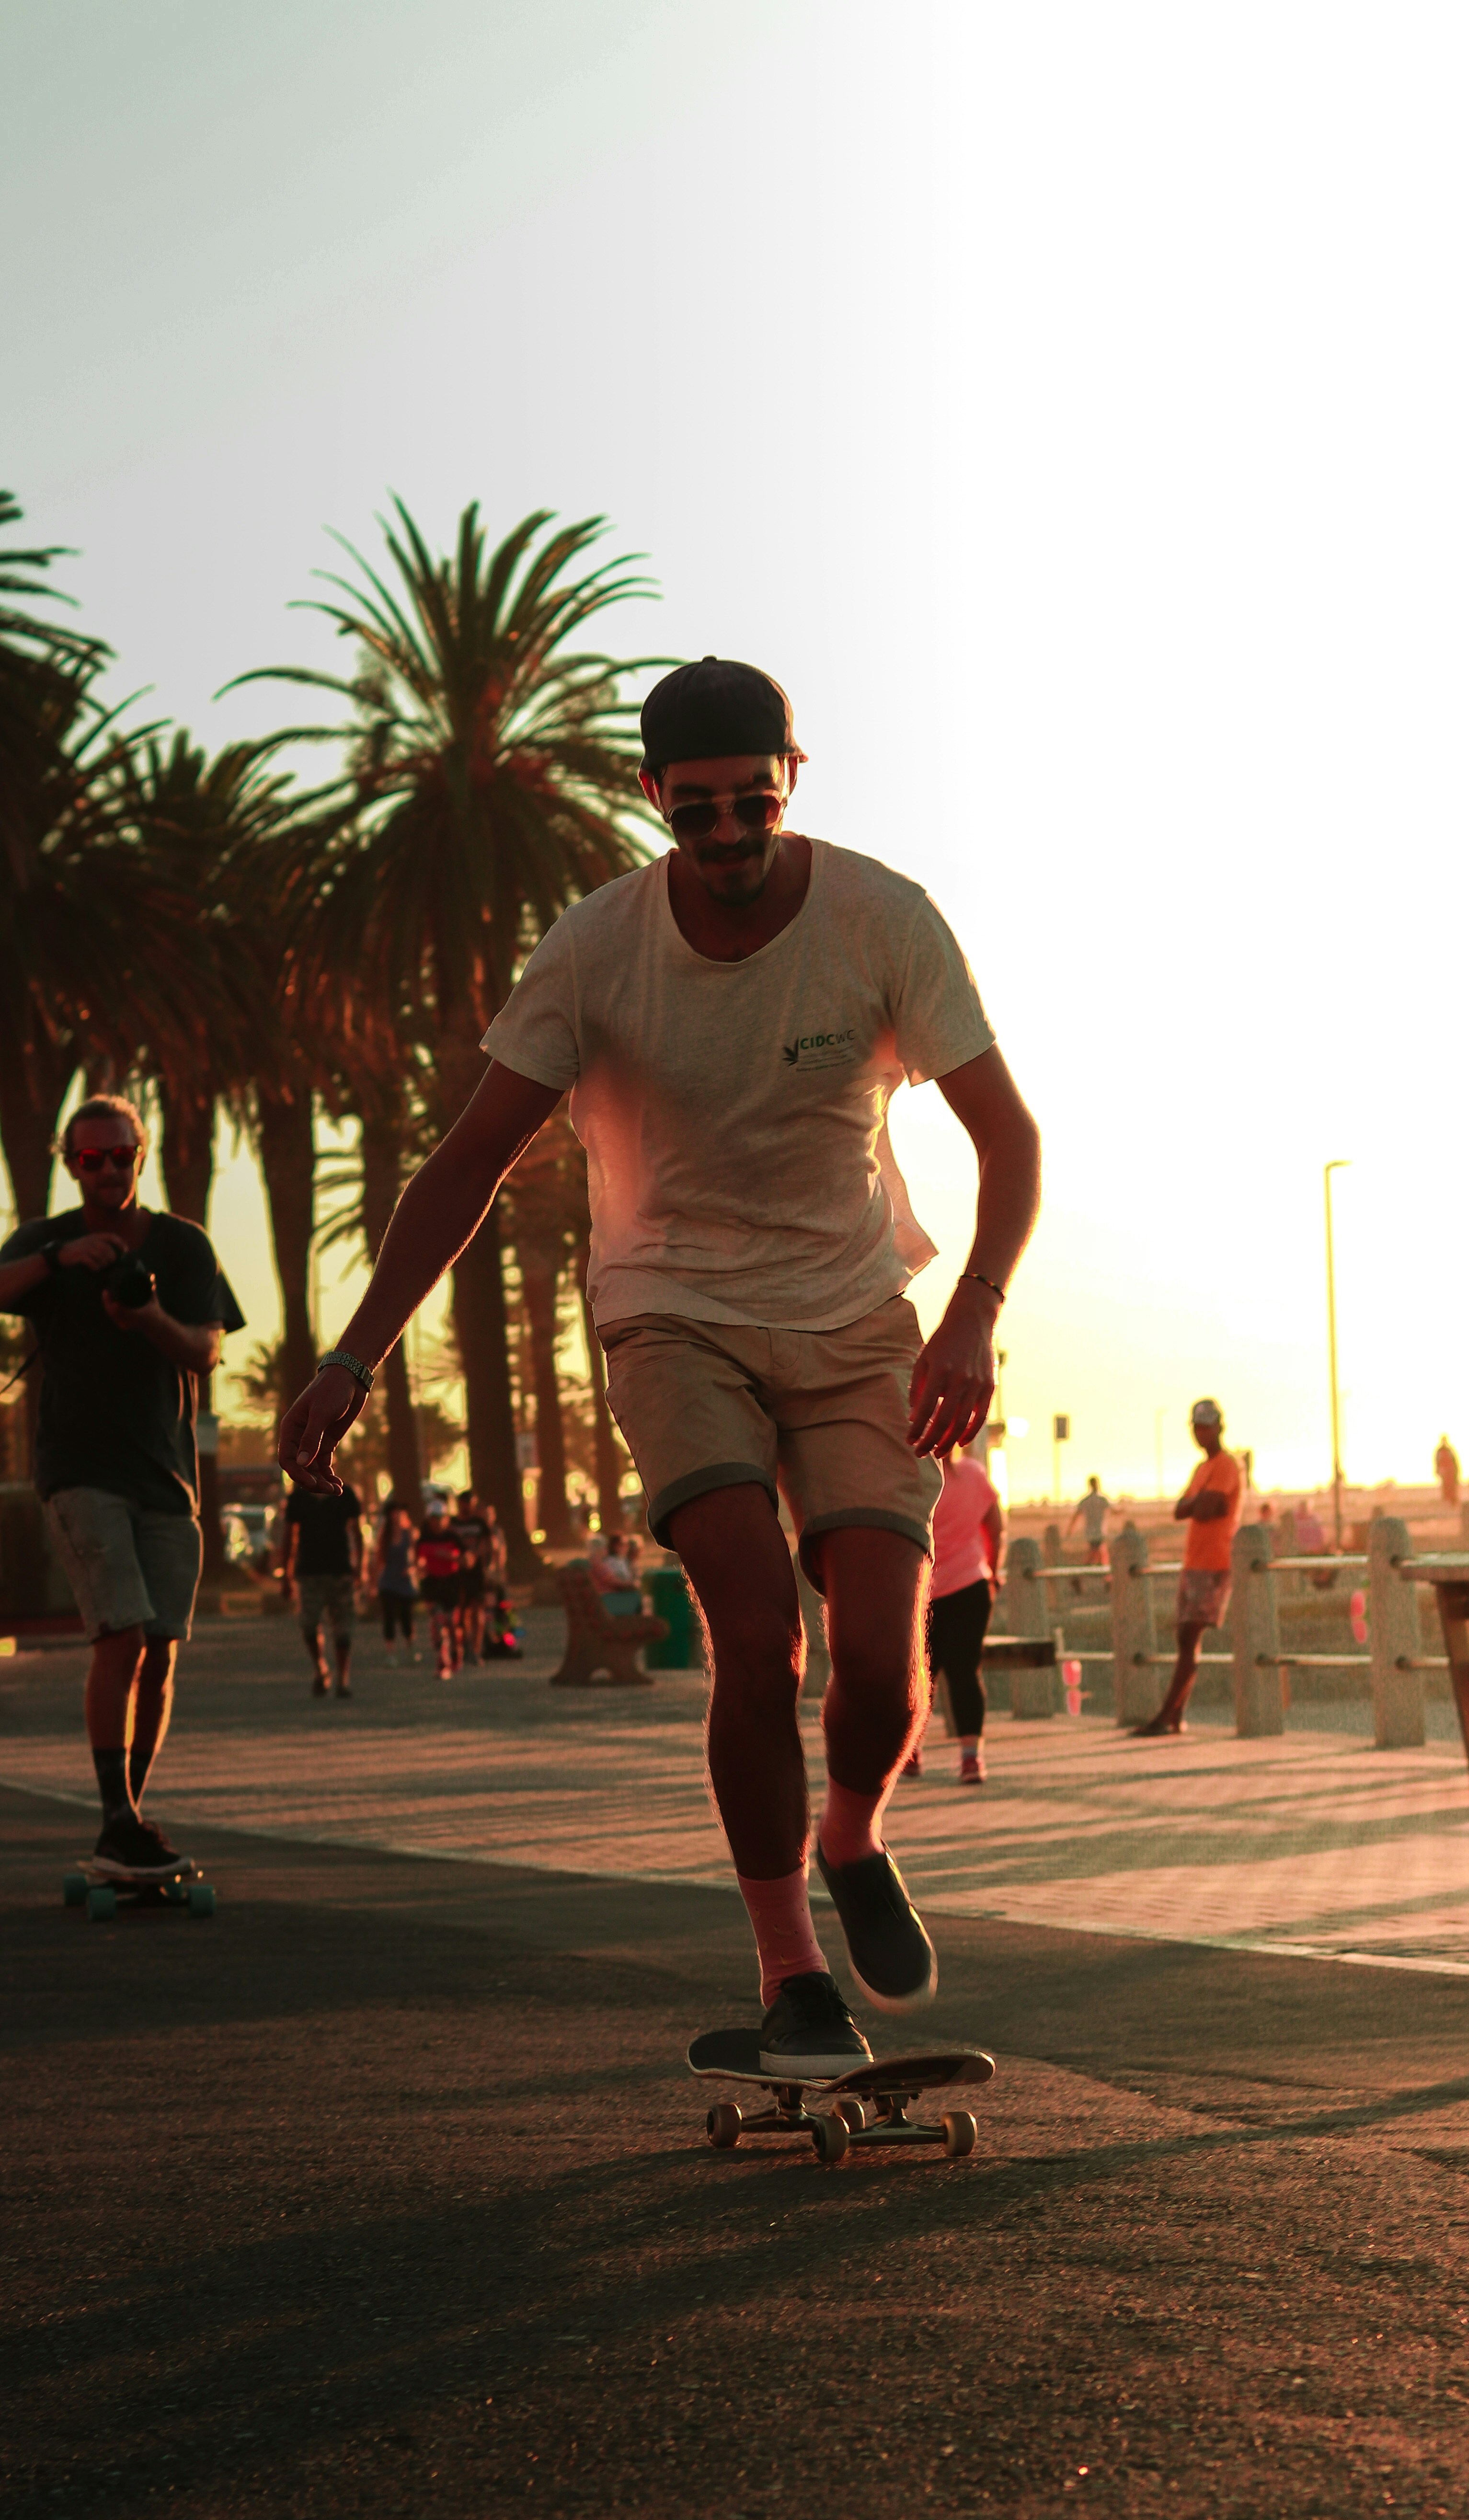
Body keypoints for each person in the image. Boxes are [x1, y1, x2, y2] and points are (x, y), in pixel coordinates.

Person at [278, 654, 1041, 2078]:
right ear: (653, 801)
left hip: (857, 1314)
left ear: (792, 781)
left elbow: (1010, 1138)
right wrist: (350, 1354)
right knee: (758, 1631)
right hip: (670, 1310)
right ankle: (790, 1971)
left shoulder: (884, 919)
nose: (731, 836)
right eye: (698, 812)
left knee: (877, 1658)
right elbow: (467, 1164)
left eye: (754, 802)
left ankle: (853, 1830)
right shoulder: (596, 950)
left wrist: (972, 1312)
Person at [0, 1092, 244, 1880]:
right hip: (77, 1470)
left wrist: (146, 1320)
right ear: (72, 1165)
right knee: (123, 1635)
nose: (106, 1170)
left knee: (162, 1652)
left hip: (166, 1476)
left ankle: (126, 1821)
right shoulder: (45, 1240)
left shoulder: (183, 1246)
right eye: (89, 1158)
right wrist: (54, 1263)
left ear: (142, 1156)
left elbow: (206, 1353)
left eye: (119, 1155)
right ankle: (117, 1821)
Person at [1133, 1398, 1243, 1737]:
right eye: (1197, 1427)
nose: (1201, 1433)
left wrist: (1197, 1503)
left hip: (1214, 1563)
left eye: (1207, 1427)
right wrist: (1199, 1503)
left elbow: (1209, 1507)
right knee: (1185, 1637)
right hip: (1194, 1562)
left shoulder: (1227, 1466)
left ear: (1219, 1428)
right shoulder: (1202, 1469)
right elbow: (1182, 1510)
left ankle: (1168, 1715)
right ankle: (1175, 1715)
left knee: (1190, 1635)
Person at [917, 1444, 1003, 1784]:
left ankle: (910, 1754)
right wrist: (993, 1572)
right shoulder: (973, 1474)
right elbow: (997, 1528)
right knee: (966, 1672)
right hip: (972, 1587)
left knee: (922, 1677)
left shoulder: (917, 1475)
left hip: (924, 1593)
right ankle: (971, 1760)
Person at [283, 1473, 364, 1697]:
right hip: (309, 1572)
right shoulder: (298, 1497)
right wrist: (286, 1575)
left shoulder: (345, 1493)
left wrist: (361, 1567)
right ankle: (320, 1669)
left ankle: (343, 1679)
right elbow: (290, 1536)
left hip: (341, 1570)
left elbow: (358, 1532)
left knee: (343, 1629)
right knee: (309, 1625)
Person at [415, 1498, 464, 1677]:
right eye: (433, 1518)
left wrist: (450, 1557)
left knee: (451, 1622)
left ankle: (456, 1653)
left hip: (450, 1582)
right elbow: (417, 1560)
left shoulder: (453, 1537)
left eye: (440, 1518)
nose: (437, 1522)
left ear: (446, 1519)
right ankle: (441, 1661)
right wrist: (420, 1568)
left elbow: (467, 1560)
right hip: (432, 1583)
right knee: (437, 1621)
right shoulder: (423, 1539)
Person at [371, 1497, 420, 1666]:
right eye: (395, 1512)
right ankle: (391, 1654)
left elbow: (418, 1558)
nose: (398, 1515)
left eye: (401, 1512)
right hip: (388, 1582)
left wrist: (413, 1569)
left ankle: (411, 1649)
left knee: (407, 1618)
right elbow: (378, 1560)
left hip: (405, 1582)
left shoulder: (410, 1534)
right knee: (389, 1618)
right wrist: (373, 1583)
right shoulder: (384, 1536)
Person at [451, 1486, 493, 1668]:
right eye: (464, 1504)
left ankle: (476, 1649)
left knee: (477, 1611)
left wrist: (474, 1556)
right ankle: (465, 1645)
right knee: (461, 1612)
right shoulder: (453, 1525)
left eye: (470, 1504)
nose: (467, 1508)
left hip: (476, 1574)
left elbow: (487, 1546)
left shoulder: (480, 1524)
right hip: (457, 1573)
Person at [1073, 1473, 1109, 1570]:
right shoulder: (1101, 1500)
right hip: (1098, 1533)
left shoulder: (1086, 1501)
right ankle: (1081, 1575)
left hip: (1091, 1533)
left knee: (1098, 1553)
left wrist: (1071, 1530)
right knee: (1096, 1554)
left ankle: (1105, 1576)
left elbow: (1076, 1516)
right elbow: (1114, 1511)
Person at [1435, 1435, 1460, 1510]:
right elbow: (1437, 1462)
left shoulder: (1450, 1450)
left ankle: (1454, 1503)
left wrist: (1457, 1471)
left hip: (1451, 1472)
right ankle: (1447, 1502)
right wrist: (1439, 1471)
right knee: (1446, 1488)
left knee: (1452, 1488)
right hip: (1445, 1473)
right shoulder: (1440, 1451)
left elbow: (1455, 1461)